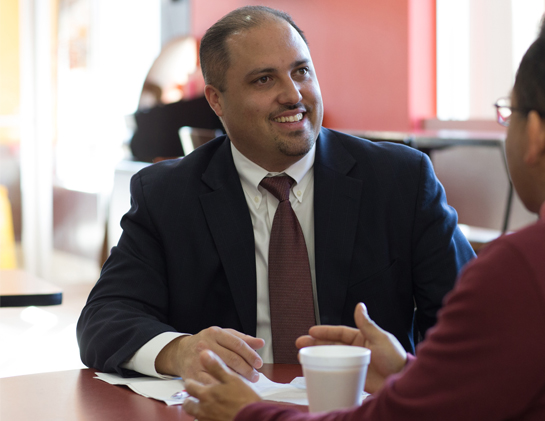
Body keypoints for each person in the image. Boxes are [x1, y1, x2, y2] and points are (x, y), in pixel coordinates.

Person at [182, 6, 545, 421]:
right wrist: (411, 377)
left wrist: (247, 413)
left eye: (509, 114)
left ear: (538, 135)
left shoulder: (530, 270)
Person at [77, 5, 474, 383]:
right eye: (264, 79)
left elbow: (472, 315)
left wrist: (412, 375)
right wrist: (180, 351)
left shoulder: (399, 180)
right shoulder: (167, 195)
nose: (293, 95)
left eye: (301, 71)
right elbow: (105, 318)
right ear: (216, 100)